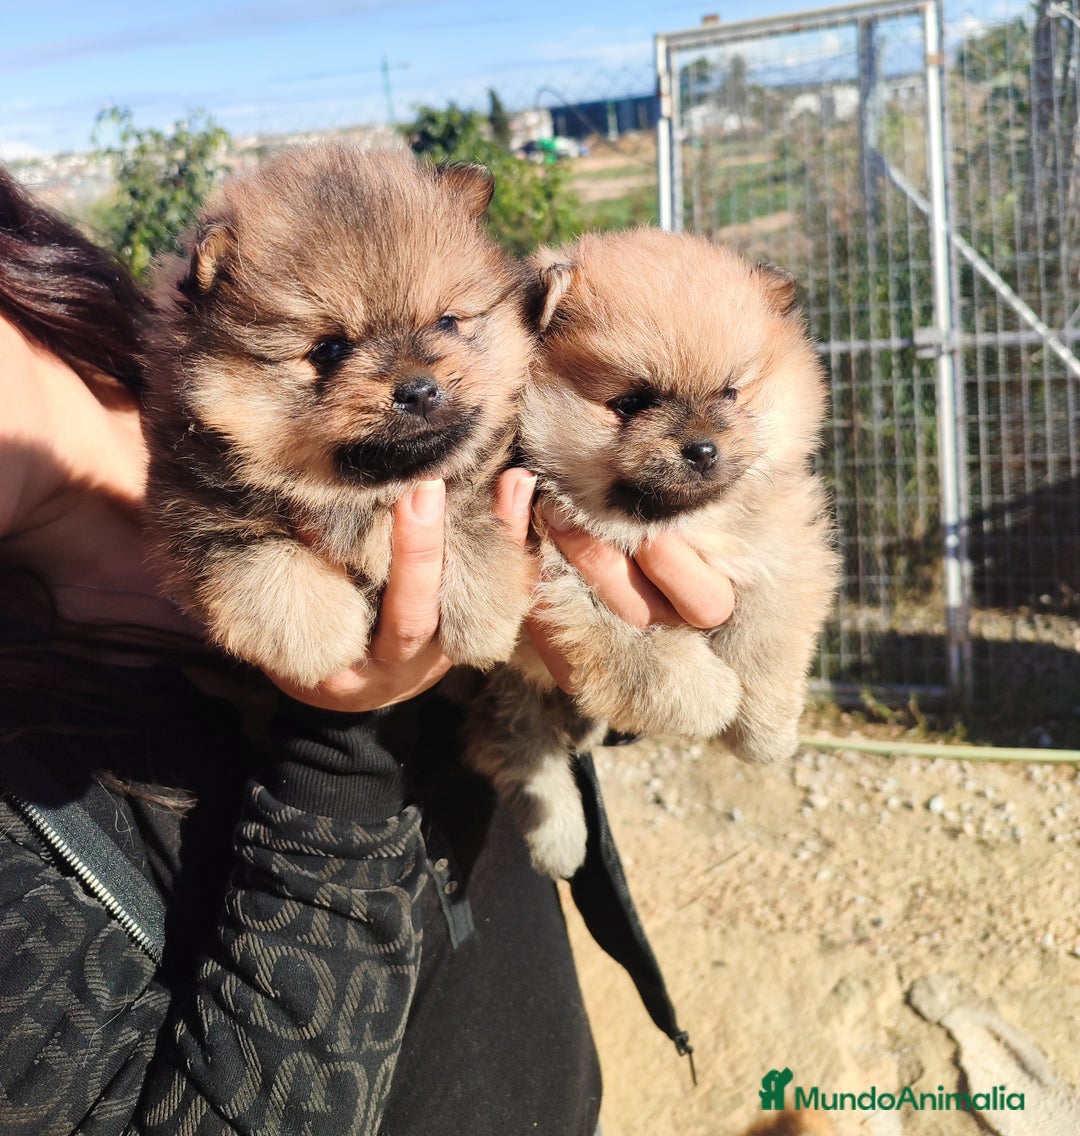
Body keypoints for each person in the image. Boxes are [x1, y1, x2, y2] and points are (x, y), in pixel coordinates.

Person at [0, 166, 735, 1136]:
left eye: (447, 328)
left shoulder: (457, 392)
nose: (418, 379)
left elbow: (570, 656)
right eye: (331, 349)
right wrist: (336, 737)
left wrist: (622, 623)